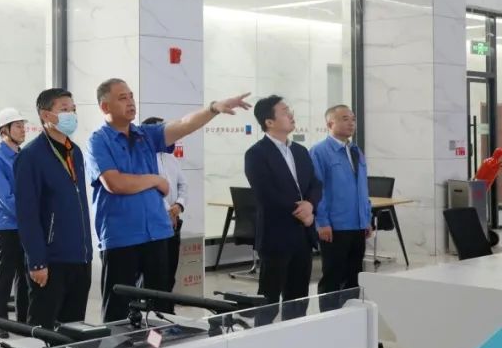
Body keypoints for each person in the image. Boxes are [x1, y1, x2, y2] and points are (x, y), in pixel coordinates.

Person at [89, 80, 250, 321]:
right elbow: (115, 183)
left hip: (157, 232)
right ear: (105, 107)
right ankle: (123, 345)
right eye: (122, 98)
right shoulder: (98, 141)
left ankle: (156, 342)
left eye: (131, 96)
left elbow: (184, 124)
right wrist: (155, 180)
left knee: (160, 307)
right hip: (121, 236)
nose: (131, 102)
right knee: (119, 310)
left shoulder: (145, 135)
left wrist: (213, 108)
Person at [14, 88, 92, 329]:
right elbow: (27, 214)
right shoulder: (30, 156)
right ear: (46, 115)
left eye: (74, 109)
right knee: (43, 329)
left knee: (74, 328)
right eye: (65, 110)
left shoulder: (75, 152)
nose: (72, 115)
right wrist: (37, 261)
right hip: (51, 260)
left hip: (80, 257)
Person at [244, 95, 322, 324]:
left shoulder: (300, 151)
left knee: (298, 299)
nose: (291, 115)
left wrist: (310, 205)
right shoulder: (257, 154)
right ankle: (261, 339)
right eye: (285, 111)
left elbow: (315, 184)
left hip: (303, 235)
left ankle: (295, 339)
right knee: (269, 300)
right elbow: (266, 193)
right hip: (276, 235)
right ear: (269, 122)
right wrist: (302, 212)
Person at [310, 105, 372, 312]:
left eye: (353, 119)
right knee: (332, 277)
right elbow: (317, 191)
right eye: (345, 119)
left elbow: (363, 187)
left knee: (354, 276)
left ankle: (350, 317)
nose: (351, 123)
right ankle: (328, 319)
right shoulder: (319, 152)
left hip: (357, 224)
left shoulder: (356, 151)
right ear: (330, 123)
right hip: (334, 226)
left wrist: (366, 218)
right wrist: (322, 222)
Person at [0, 108, 29, 331]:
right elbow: (5, 198)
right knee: (3, 275)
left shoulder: (24, 156)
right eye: (18, 126)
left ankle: (24, 320)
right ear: (4, 131)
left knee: (26, 275)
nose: (23, 130)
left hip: (25, 224)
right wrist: (30, 213)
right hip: (6, 226)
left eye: (23, 126)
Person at [141, 117, 189, 292]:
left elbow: (183, 185)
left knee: (170, 271)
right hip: (154, 223)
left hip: (174, 221)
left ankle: (167, 306)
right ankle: (152, 306)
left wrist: (178, 206)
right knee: (153, 275)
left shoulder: (171, 158)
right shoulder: (143, 158)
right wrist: (167, 212)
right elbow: (148, 188)